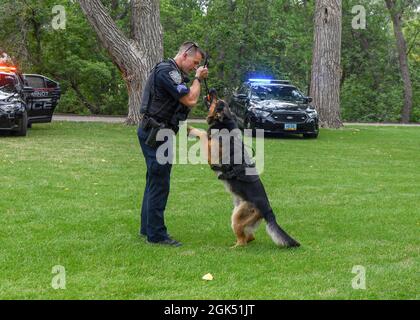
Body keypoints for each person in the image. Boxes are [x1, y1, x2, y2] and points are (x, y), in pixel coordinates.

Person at [137, 42, 208, 247]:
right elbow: (190, 99)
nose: (195, 67)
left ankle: (147, 228)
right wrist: (198, 79)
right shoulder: (167, 71)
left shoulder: (172, 72)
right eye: (194, 63)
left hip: (160, 131)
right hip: (156, 133)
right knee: (160, 183)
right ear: (185, 54)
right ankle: (157, 235)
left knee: (154, 180)